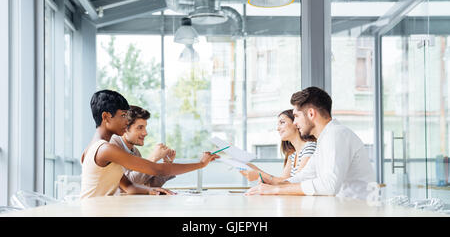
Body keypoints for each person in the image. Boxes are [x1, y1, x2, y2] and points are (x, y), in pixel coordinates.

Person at [80, 90, 219, 199]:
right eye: (123, 116)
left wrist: (151, 190)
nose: (126, 121)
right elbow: (158, 170)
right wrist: (200, 164)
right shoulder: (106, 149)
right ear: (106, 117)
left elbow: (129, 186)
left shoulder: (93, 147)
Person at [245, 86, 376, 199]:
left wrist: (276, 190)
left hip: (357, 209)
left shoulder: (336, 134)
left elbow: (329, 186)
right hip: (343, 208)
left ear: (311, 114)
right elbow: (305, 175)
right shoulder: (325, 138)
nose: (295, 123)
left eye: (296, 116)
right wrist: (275, 184)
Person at [239, 109, 316, 184]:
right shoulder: (292, 156)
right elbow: (283, 181)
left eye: (282, 122)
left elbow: (297, 182)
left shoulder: (310, 147)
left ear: (296, 123)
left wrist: (260, 174)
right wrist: (255, 170)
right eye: (278, 125)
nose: (278, 128)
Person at [110, 105, 176, 191]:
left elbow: (149, 184)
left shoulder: (135, 151)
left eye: (145, 127)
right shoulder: (112, 146)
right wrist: (153, 158)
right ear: (125, 128)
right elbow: (128, 185)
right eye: (140, 127)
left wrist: (167, 163)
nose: (145, 133)